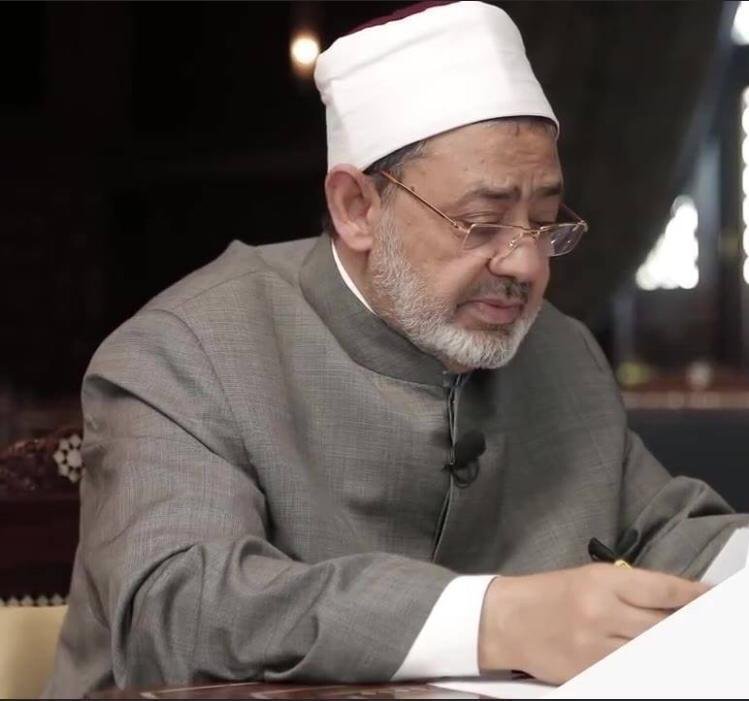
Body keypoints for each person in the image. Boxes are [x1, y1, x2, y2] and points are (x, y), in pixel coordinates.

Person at [45, 2, 749, 697]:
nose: (526, 264)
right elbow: (177, 613)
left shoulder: (557, 349)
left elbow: (670, 533)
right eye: (481, 222)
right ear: (356, 208)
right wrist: (495, 619)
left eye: (543, 222)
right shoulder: (184, 350)